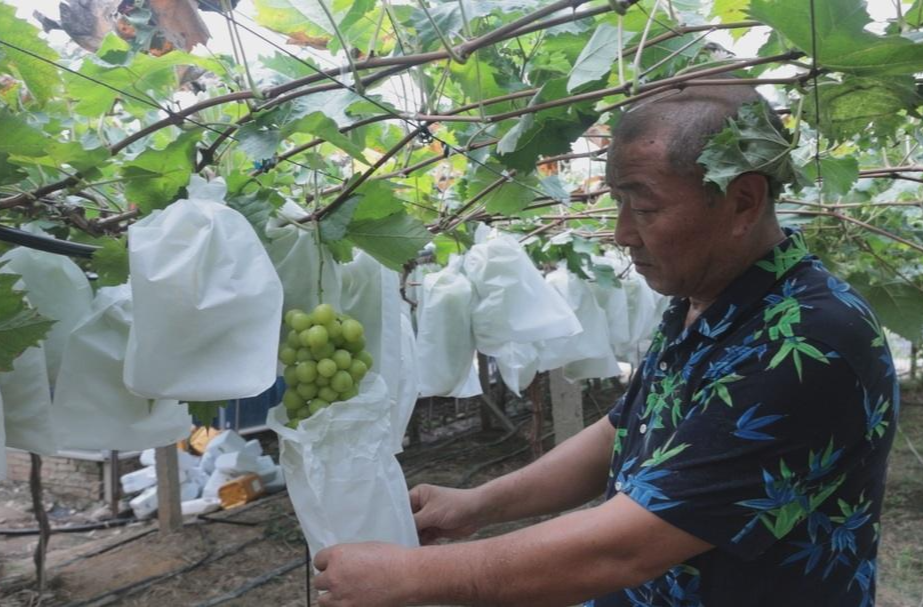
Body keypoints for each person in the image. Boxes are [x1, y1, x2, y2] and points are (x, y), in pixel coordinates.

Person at [312, 83, 899, 607]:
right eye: (618, 203)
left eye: (643, 206)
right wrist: (477, 504)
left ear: (743, 201)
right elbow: (626, 430)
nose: (621, 233)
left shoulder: (809, 340)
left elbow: (626, 549)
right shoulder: (707, 299)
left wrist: (414, 577)